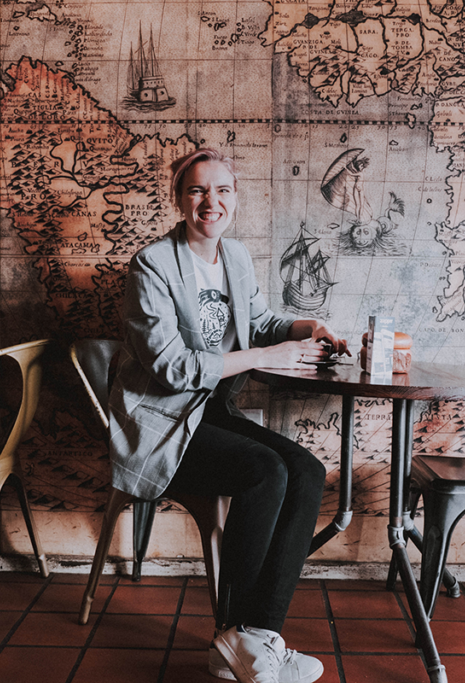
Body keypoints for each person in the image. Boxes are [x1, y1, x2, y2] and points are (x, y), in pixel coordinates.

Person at [108, 148, 349, 683]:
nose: (209, 202)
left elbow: (260, 321)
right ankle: (235, 632)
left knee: (306, 470)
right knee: (264, 471)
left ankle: (256, 636)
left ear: (235, 199)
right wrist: (265, 357)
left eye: (221, 190)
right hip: (163, 423)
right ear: (179, 199)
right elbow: (171, 368)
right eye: (196, 190)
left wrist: (307, 328)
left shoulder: (234, 257)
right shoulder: (151, 265)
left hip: (210, 410)